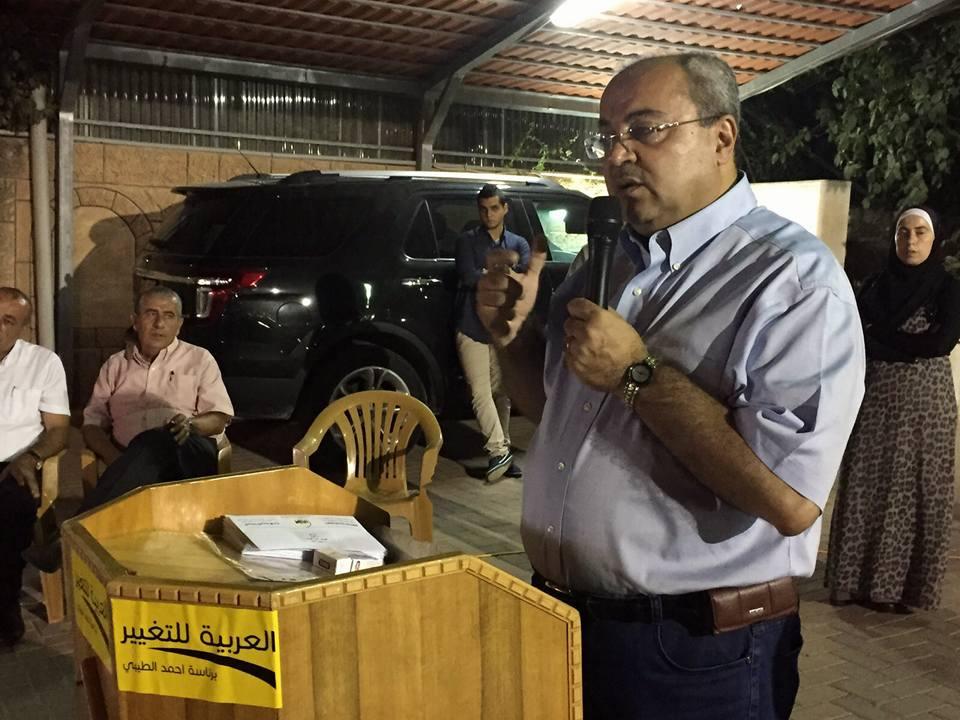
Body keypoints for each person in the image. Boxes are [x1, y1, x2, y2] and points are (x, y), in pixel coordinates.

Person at [475, 53, 866, 719]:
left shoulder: (790, 281)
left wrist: (636, 375)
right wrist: (511, 336)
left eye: (645, 129)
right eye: (607, 135)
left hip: (692, 652)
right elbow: (553, 409)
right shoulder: (605, 259)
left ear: (721, 137)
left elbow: (791, 501)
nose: (617, 154)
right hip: (560, 619)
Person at [26, 286, 233, 573]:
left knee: (159, 438)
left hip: (188, 451)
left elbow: (220, 417)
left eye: (169, 316)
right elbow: (92, 423)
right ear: (135, 320)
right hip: (130, 457)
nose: (159, 324)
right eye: (151, 314)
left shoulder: (199, 359)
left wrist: (191, 424)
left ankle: (69, 538)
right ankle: (82, 546)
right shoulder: (115, 365)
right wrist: (117, 460)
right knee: (149, 448)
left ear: (179, 324)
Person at [826, 206, 960, 614]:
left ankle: (898, 590)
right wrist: (898, 345)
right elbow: (854, 337)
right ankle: (852, 583)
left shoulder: (948, 289)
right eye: (904, 232)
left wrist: (882, 339)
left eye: (921, 232)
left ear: (935, 239)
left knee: (913, 491)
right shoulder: (874, 287)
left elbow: (940, 343)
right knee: (866, 485)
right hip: (875, 401)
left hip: (927, 410)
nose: (911, 241)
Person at [0, 287, 70, 646]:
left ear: (23, 327)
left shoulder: (43, 363)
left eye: (7, 320)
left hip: (16, 463)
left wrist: (31, 458)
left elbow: (58, 429)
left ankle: (5, 608)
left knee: (9, 512)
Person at [455, 184, 530, 483]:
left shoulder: (518, 243)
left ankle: (504, 451)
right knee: (479, 392)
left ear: (505, 208)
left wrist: (491, 274)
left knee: (502, 392)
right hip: (471, 325)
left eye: (494, 208)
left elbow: (523, 280)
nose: (489, 214)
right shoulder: (467, 241)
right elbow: (469, 276)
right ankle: (498, 450)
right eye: (484, 209)